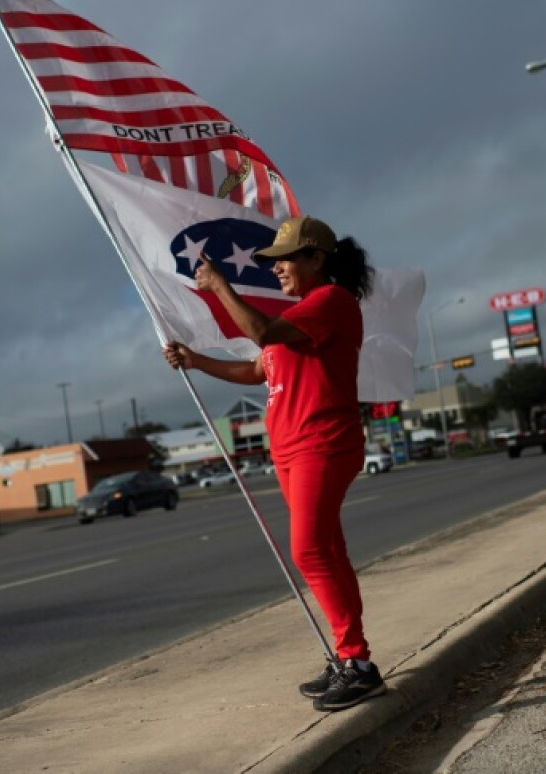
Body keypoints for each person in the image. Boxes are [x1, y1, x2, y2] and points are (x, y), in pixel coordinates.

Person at [161, 215, 386, 712]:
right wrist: (196, 360)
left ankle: (359, 664)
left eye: (284, 258)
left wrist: (220, 284)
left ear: (315, 259)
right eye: (273, 260)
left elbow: (261, 335)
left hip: (322, 443)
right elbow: (254, 368)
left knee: (309, 551)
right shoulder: (301, 314)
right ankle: (351, 659)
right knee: (327, 550)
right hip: (288, 449)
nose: (276, 268)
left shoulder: (330, 302)